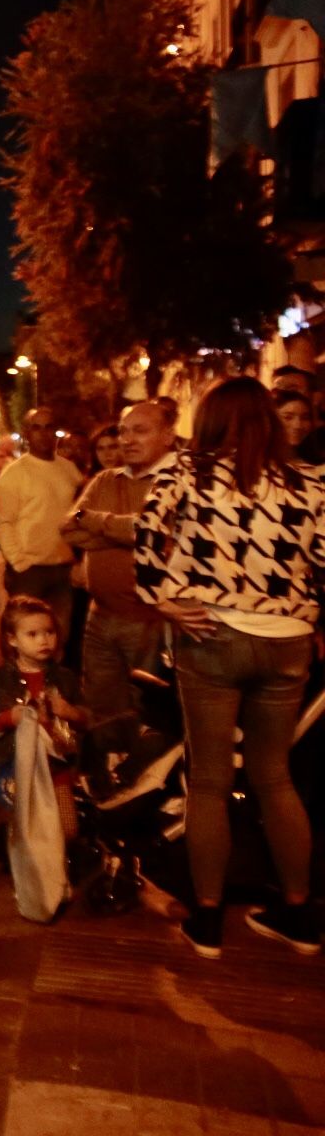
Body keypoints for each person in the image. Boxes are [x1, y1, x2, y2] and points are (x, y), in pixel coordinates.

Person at [134, 377, 325, 959]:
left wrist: (160, 596)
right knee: (275, 776)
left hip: (211, 632)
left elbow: (147, 536)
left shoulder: (185, 473)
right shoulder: (311, 482)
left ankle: (209, 922)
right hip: (288, 639)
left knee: (210, 781)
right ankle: (299, 915)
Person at [62, 401, 174, 748]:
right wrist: (131, 533)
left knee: (148, 714)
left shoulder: (179, 481)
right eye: (124, 430)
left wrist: (98, 522)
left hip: (151, 621)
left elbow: (156, 534)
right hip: (100, 618)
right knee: (100, 708)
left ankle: (141, 788)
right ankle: (105, 781)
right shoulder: (106, 478)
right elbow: (68, 527)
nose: (127, 439)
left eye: (140, 430)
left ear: (168, 435)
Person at [0, 597, 86, 923]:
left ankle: (55, 870)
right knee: (27, 827)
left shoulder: (64, 678)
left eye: (48, 632)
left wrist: (68, 712)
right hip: (16, 766)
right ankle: (36, 884)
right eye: (32, 634)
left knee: (66, 826)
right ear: (12, 639)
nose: (43, 640)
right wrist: (8, 717)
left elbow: (85, 717)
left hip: (56, 765)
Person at [0, 408, 83, 645]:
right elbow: (1, 522)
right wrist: (20, 562)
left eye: (49, 427)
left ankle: (51, 682)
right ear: (26, 433)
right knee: (27, 639)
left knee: (58, 637)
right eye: (36, 427)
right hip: (29, 571)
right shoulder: (14, 473)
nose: (43, 434)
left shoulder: (69, 470)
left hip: (63, 569)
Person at [273, 390, 325, 464]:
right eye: (287, 417)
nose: (298, 425)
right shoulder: (259, 463)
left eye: (305, 418)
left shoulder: (317, 461)